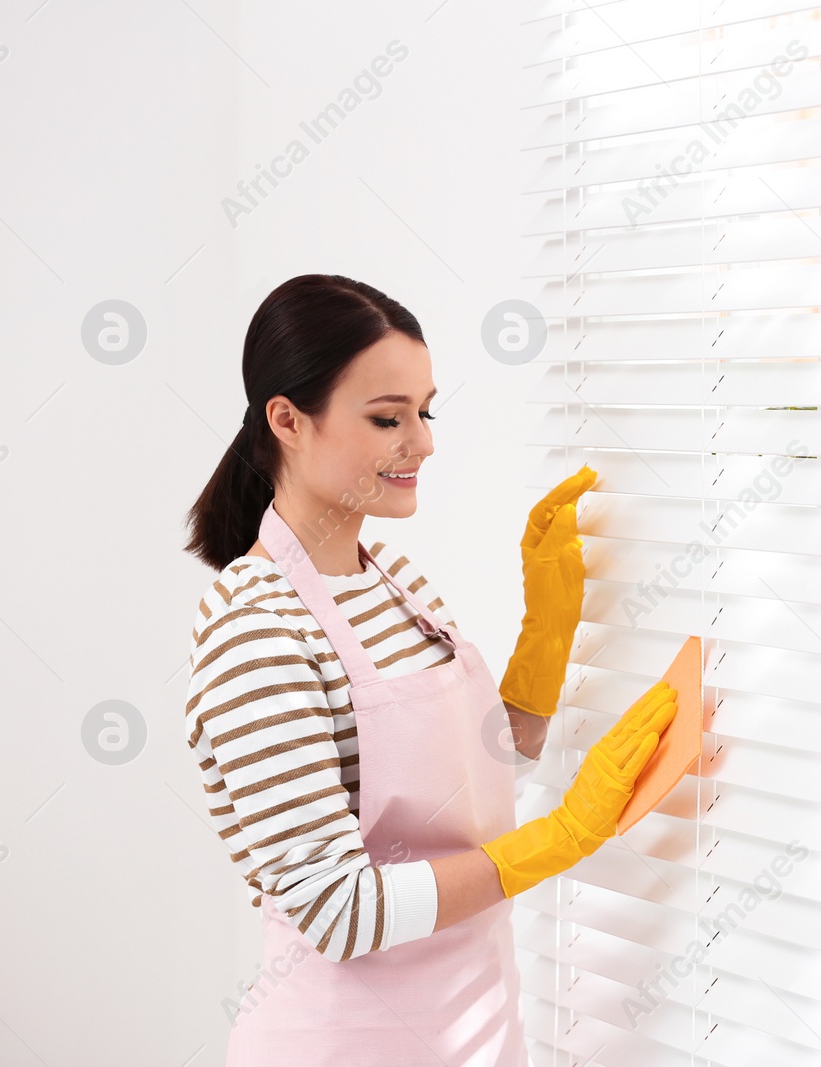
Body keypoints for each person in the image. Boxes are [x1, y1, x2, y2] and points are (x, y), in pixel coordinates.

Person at [181, 273, 677, 1065]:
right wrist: (563, 837)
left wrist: (547, 635)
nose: (424, 442)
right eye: (387, 418)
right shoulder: (256, 627)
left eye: (425, 410)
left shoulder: (391, 582)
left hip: (474, 1033)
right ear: (287, 420)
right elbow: (335, 908)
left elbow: (464, 789)